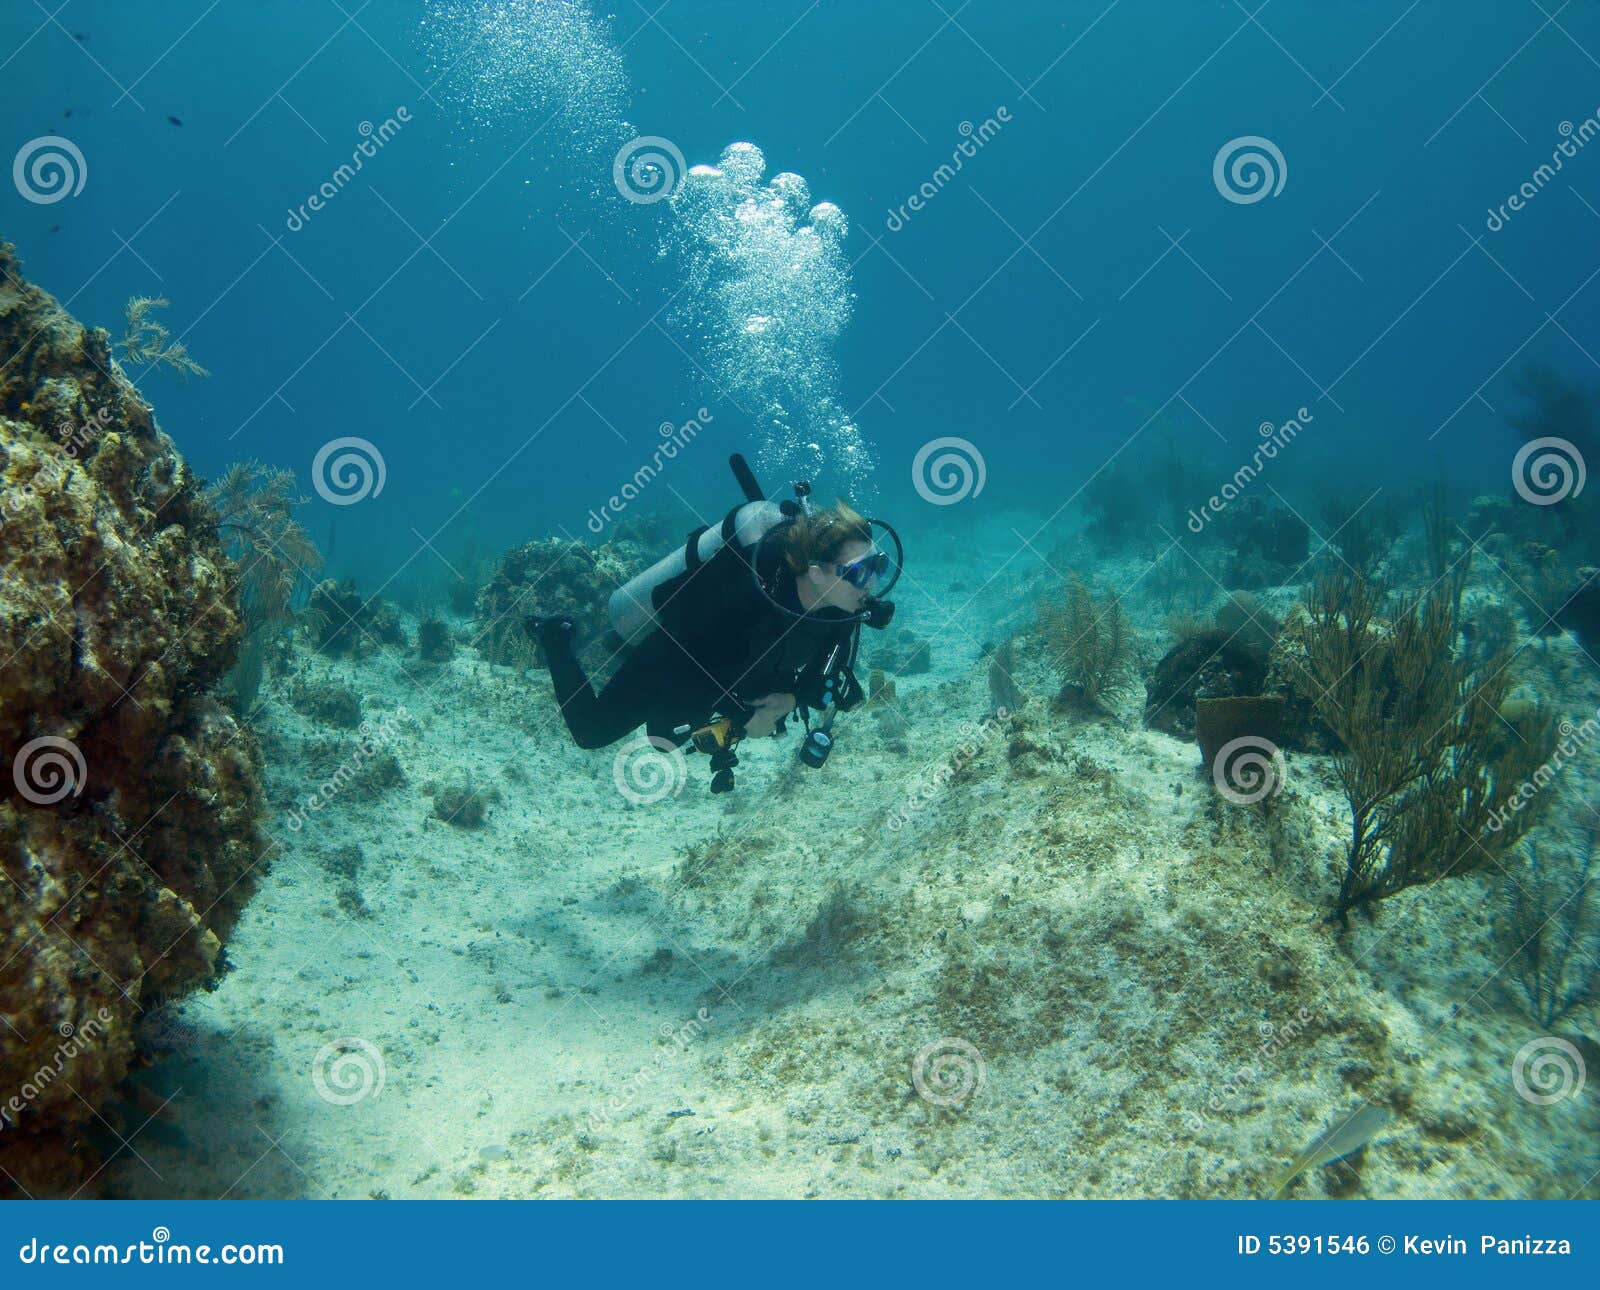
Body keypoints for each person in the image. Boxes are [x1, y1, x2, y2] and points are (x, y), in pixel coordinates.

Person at [525, 501, 892, 766]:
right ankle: (555, 636)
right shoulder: (747, 588)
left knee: (665, 738)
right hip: (675, 654)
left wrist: (790, 700)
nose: (872, 583)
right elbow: (687, 647)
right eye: (861, 571)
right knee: (591, 733)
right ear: (815, 573)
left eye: (878, 565)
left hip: (737, 675)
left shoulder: (842, 611)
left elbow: (822, 679)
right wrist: (746, 717)